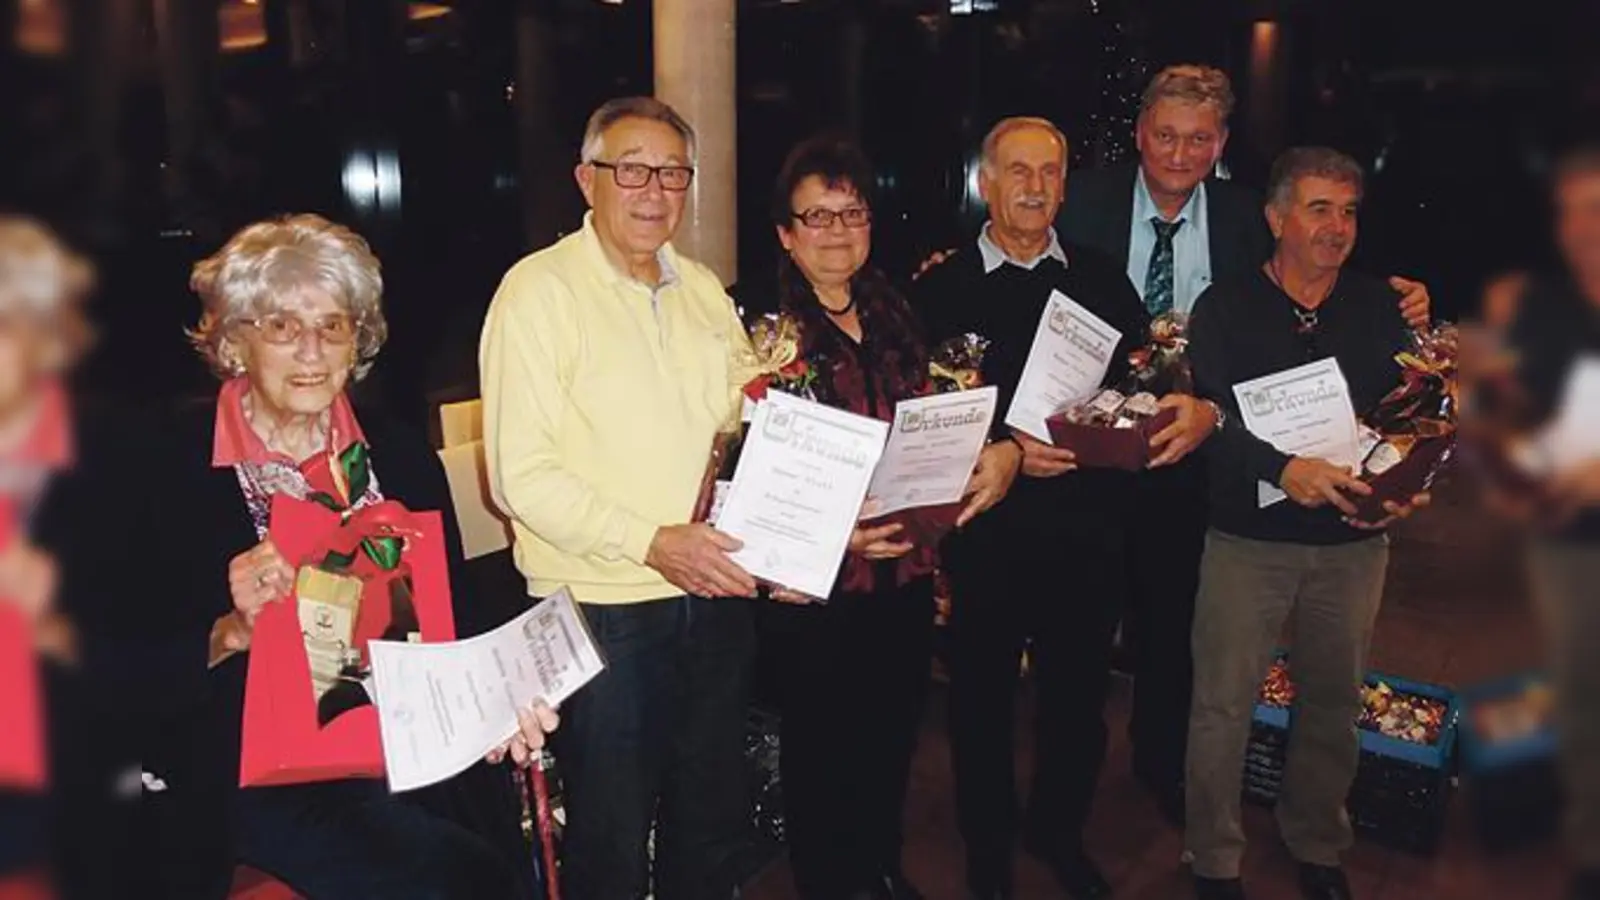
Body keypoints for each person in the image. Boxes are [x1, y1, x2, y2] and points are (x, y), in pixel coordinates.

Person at [1055, 64, 1434, 822]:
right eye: (1165, 134)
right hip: (1089, 454)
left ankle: (1168, 776)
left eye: (1199, 138)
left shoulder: (1245, 215)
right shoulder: (1082, 204)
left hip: (1202, 457)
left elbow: (1325, 266)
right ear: (1139, 135)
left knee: (1178, 629)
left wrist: (1407, 296)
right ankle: (1066, 789)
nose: (1179, 152)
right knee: (1079, 633)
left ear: (1221, 143)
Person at [144, 213, 554, 900]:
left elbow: (452, 609)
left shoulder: (395, 453)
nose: (311, 350)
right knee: (460, 878)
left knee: (496, 854)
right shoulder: (168, 464)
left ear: (357, 341)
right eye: (280, 326)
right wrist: (230, 630)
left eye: (333, 326)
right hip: (255, 762)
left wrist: (499, 699)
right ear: (234, 342)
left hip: (408, 735)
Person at [913, 116, 1218, 900]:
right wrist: (1009, 445)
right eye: (1017, 171)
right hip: (985, 532)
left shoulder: (1098, 277)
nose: (1035, 187)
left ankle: (1056, 831)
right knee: (980, 700)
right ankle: (987, 844)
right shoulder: (938, 289)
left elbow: (1135, 384)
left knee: (1078, 703)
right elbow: (920, 413)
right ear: (986, 182)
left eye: (1050, 171)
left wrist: (1131, 416)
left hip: (1088, 528)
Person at [478, 96, 762, 900]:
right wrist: (651, 540)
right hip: (604, 609)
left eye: (673, 173)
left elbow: (748, 423)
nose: (654, 190)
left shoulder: (703, 288)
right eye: (631, 169)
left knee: (709, 819)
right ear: (586, 179)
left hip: (712, 595)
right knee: (609, 828)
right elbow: (519, 476)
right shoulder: (538, 292)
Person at [755, 134, 1020, 900]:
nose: (838, 231)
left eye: (853, 212)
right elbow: (747, 467)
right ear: (785, 232)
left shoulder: (896, 304)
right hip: (822, 581)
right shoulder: (763, 328)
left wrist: (977, 449)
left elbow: (936, 407)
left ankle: (879, 867)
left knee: (891, 738)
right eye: (817, 217)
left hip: (904, 565)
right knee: (819, 754)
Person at [1183, 148, 1431, 900]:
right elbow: (1209, 421)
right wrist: (1281, 469)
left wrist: (1406, 479)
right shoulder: (1223, 307)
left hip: (1352, 542)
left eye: (1349, 211)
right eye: (1319, 208)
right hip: (1247, 541)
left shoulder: (1380, 307)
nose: (1337, 227)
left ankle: (1318, 842)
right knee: (1223, 704)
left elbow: (1405, 419)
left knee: (1333, 699)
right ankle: (1213, 858)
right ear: (1276, 217)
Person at [1488, 143, 1600, 900]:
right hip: (1567, 549)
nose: (1583, 226)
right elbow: (1511, 428)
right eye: (1570, 211)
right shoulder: (1541, 306)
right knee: (1582, 705)